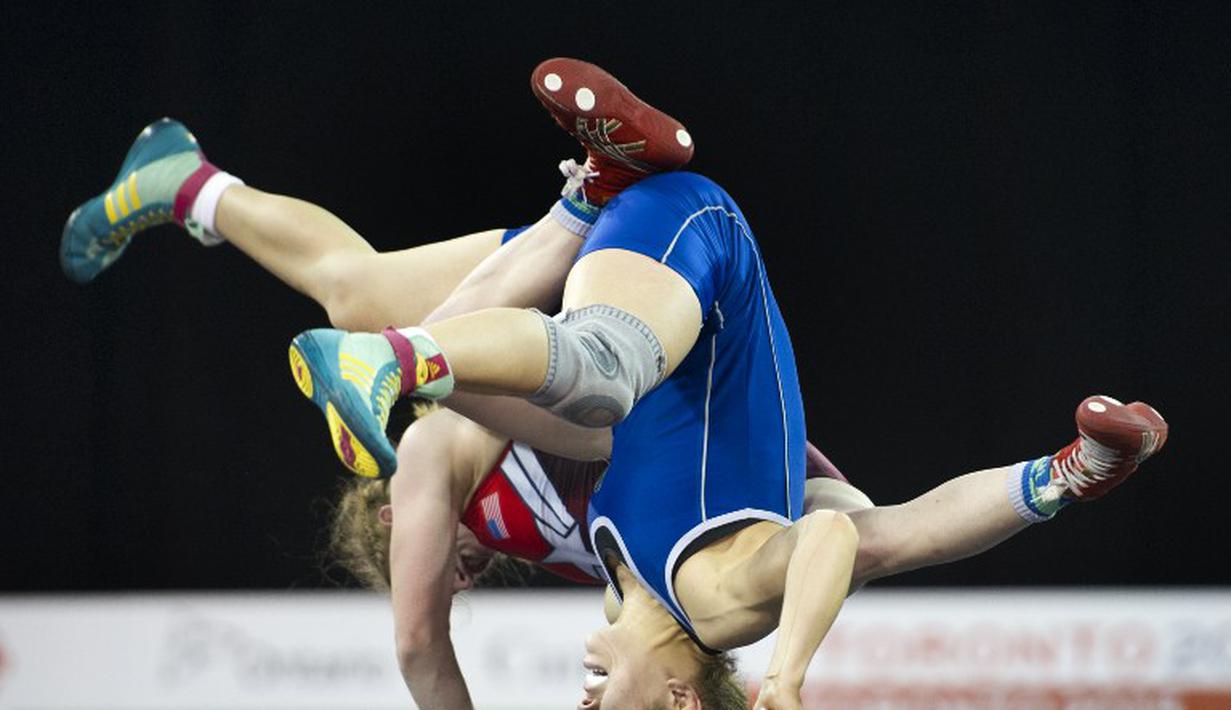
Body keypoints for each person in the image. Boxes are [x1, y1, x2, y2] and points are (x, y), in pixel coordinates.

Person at [62, 60, 1170, 709]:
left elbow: (892, 533)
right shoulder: (717, 595)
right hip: (671, 278)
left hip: (610, 289)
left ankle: (195, 186)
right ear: (682, 698)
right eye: (605, 709)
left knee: (370, 297)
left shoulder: (617, 580)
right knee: (578, 384)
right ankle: (458, 306)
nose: (582, 695)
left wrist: (1065, 475)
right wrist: (788, 670)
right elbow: (843, 547)